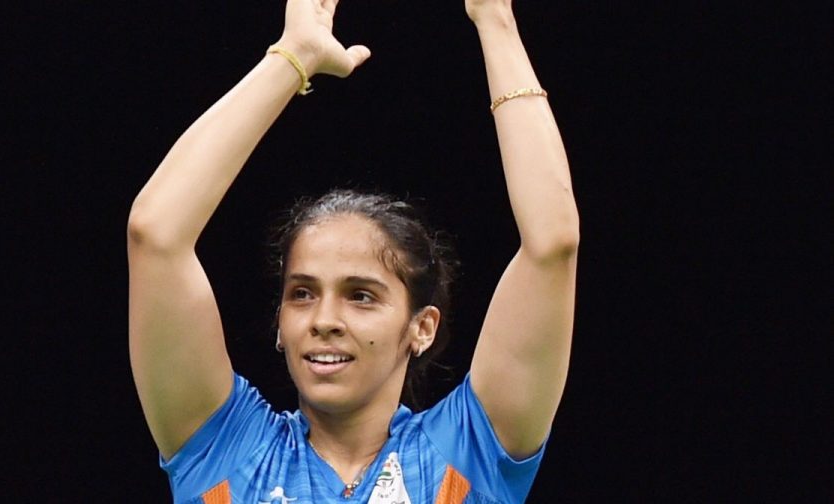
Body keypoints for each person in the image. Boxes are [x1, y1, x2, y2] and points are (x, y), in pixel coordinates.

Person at [127, 0, 579, 502]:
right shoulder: (225, 450)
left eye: (361, 296)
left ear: (422, 327)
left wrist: (495, 20)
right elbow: (156, 236)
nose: (324, 320)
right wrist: (292, 57)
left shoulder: (471, 451)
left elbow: (552, 244)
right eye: (302, 293)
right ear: (279, 322)